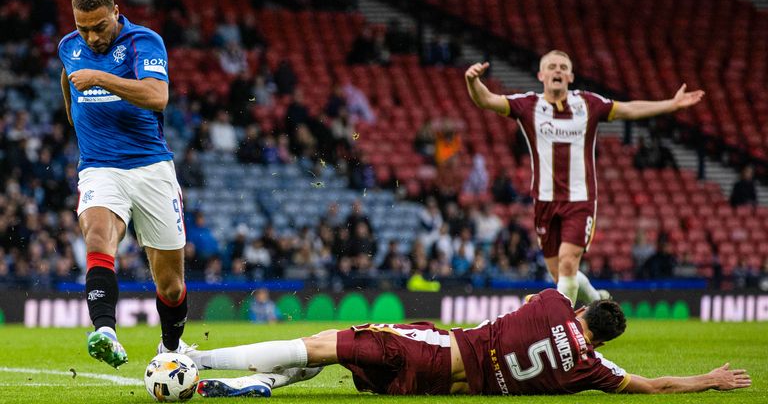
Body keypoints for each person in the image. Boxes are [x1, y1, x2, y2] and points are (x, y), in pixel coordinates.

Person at [464, 50, 705, 306]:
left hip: (580, 200)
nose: (557, 70)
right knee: (561, 275)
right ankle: (598, 300)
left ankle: (561, 327)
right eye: (552, 66)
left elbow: (629, 109)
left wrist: (671, 104)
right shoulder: (528, 105)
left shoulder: (587, 104)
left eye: (562, 67)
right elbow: (486, 100)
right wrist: (472, 81)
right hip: (544, 201)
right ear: (541, 75)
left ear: (570, 76)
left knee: (568, 263)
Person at [184, 289, 750, 397]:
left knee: (315, 346)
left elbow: (538, 299)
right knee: (335, 360)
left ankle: (197, 358)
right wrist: (710, 380)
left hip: (430, 349)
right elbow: (654, 386)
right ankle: (252, 384)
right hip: (427, 387)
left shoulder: (553, 304)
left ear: (582, 311)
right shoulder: (591, 371)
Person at [58, 0, 189, 368]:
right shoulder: (69, 46)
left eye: (99, 26)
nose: (91, 36)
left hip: (150, 168)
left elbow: (156, 95)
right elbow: (68, 81)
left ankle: (170, 349)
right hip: (99, 167)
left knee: (171, 284)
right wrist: (77, 117)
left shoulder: (143, 42)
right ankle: (105, 331)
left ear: (116, 12)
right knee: (98, 235)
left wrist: (99, 78)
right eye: (83, 28)